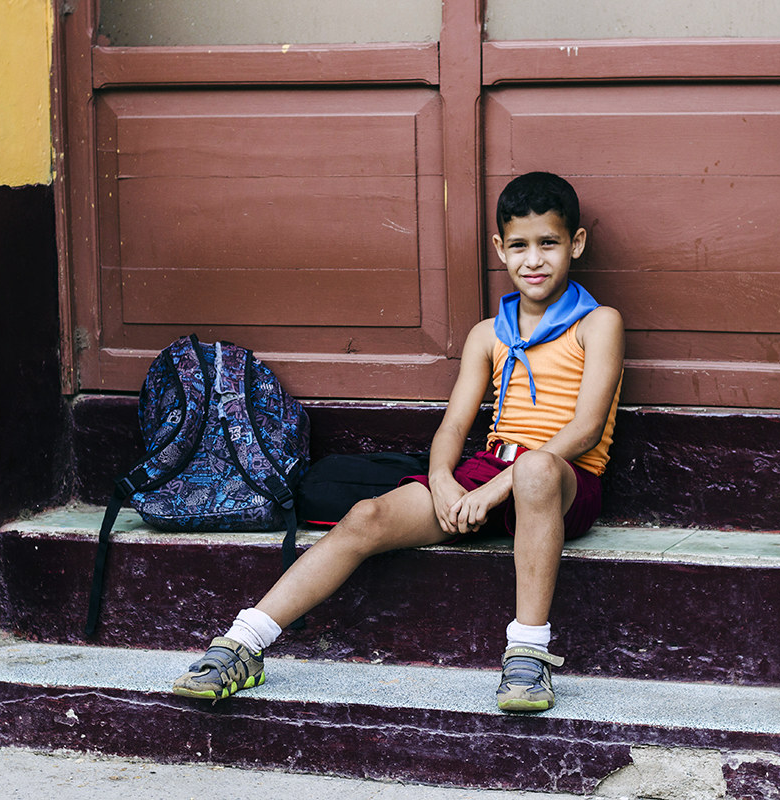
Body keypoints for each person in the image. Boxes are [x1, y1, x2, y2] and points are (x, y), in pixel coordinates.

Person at [171, 171, 624, 713]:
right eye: (520, 245)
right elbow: (454, 429)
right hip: (489, 473)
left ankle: (527, 657)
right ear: (499, 248)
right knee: (366, 515)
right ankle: (243, 644)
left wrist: (497, 488)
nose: (534, 260)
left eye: (549, 244)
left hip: (563, 482)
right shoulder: (488, 333)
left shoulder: (598, 323)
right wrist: (442, 483)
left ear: (574, 243)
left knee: (536, 470)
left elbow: (584, 430)